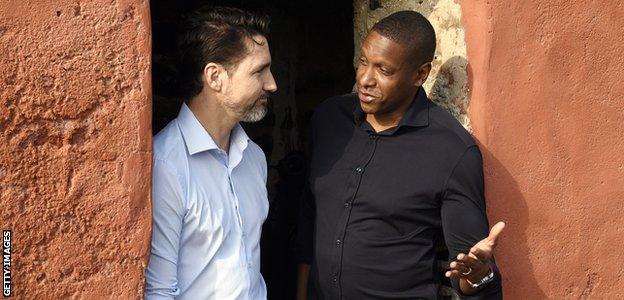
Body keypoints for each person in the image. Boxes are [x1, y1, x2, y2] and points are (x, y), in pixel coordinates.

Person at [297, 11, 504, 299]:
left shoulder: (452, 151)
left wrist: (478, 276)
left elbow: (469, 271)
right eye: (363, 62)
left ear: (420, 74)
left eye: (384, 70)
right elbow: (310, 217)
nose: (365, 80)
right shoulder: (329, 119)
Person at [145, 6, 277, 299]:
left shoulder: (253, 157)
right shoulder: (166, 164)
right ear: (215, 77)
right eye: (259, 71)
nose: (272, 83)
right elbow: (159, 290)